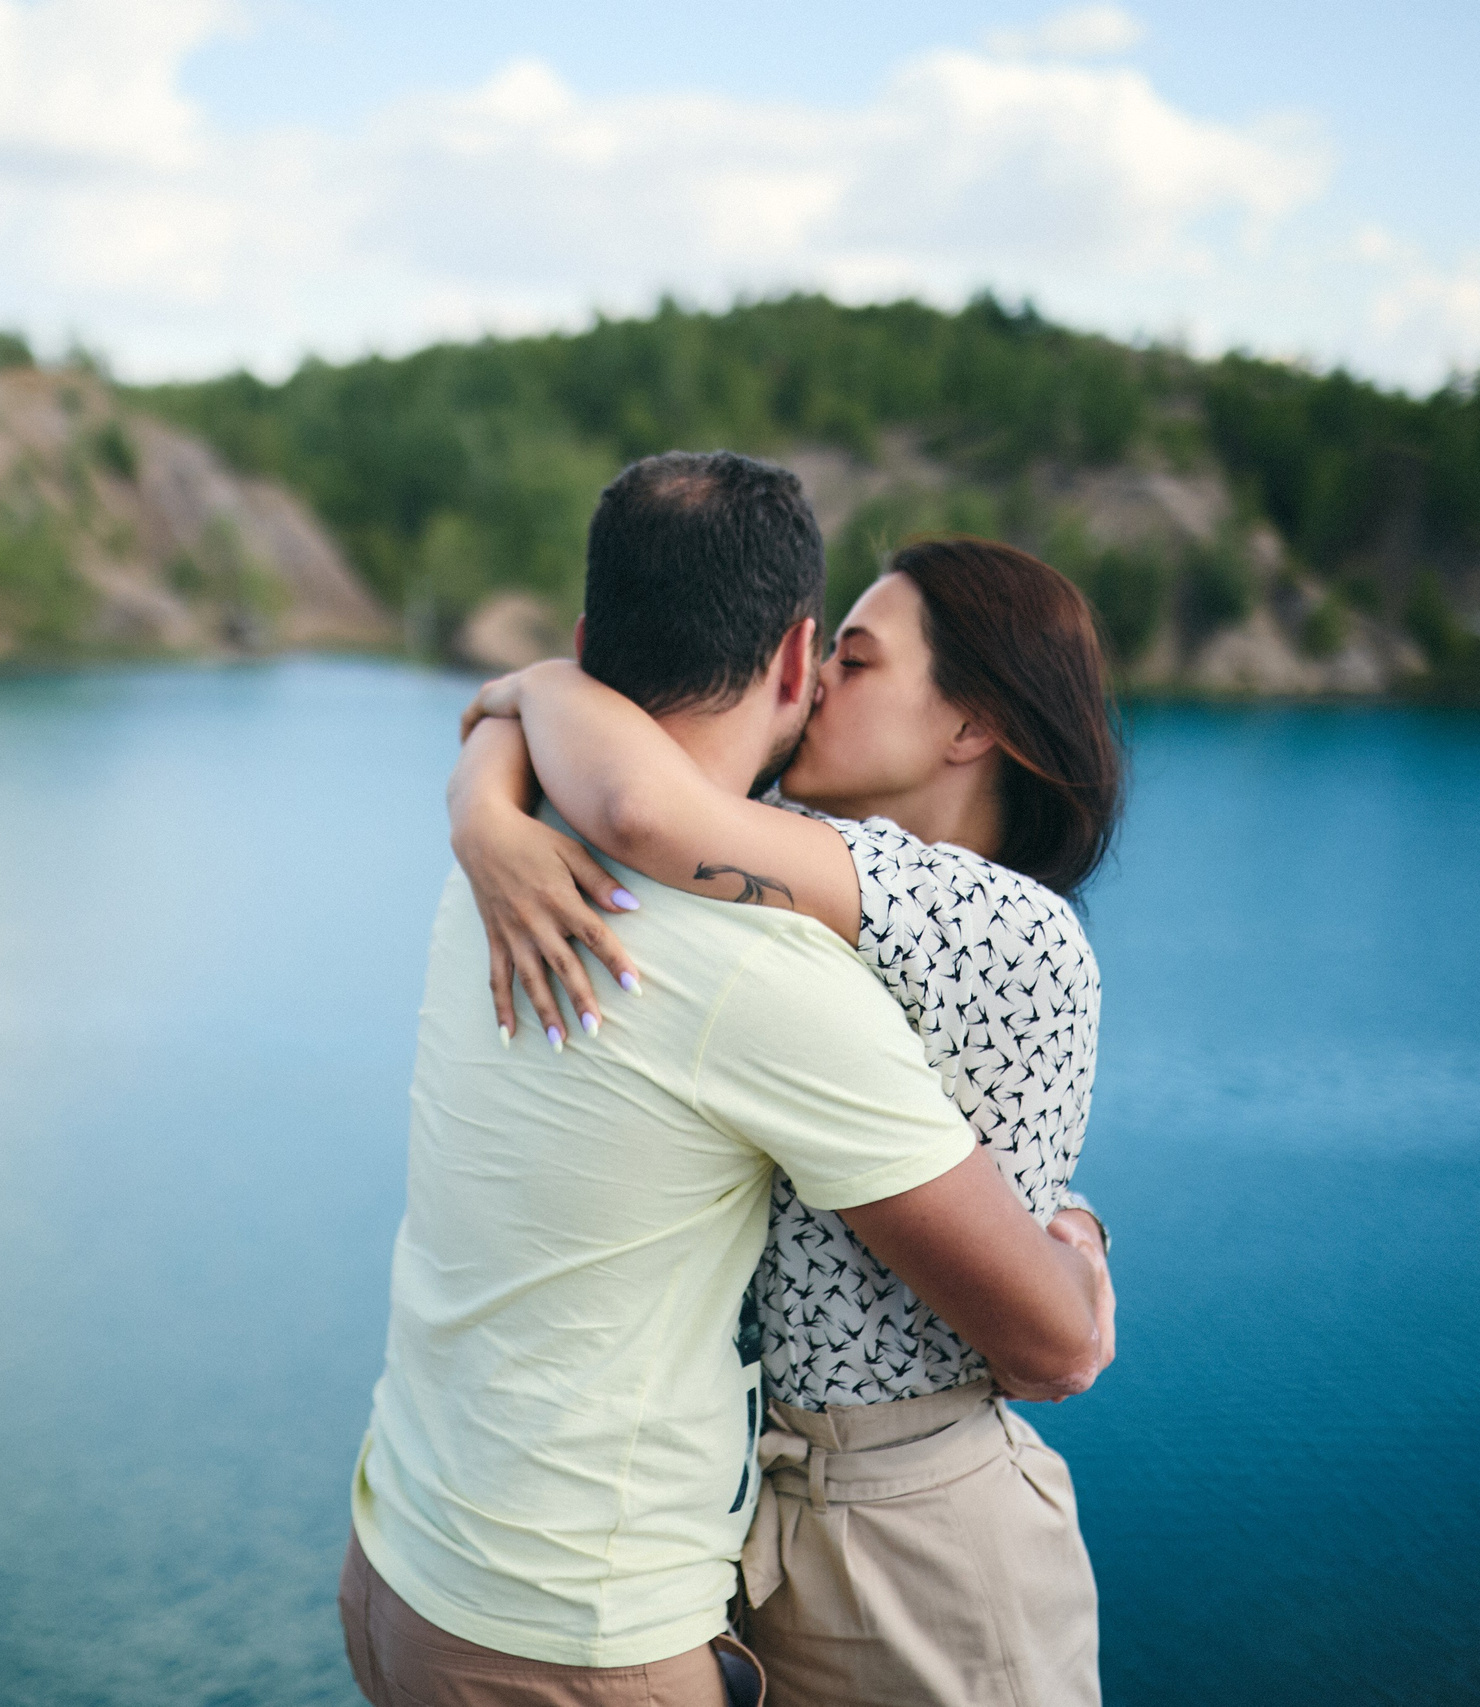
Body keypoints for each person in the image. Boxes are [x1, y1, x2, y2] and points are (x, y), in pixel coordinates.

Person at [342, 453, 1113, 1707]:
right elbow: (648, 810)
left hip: (899, 1530)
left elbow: (1053, 1334)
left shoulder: (554, 876)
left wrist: (505, 757)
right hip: (680, 1565)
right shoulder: (749, 934)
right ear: (794, 660)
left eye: (867, 668)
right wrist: (498, 778)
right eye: (838, 662)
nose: (820, 702)